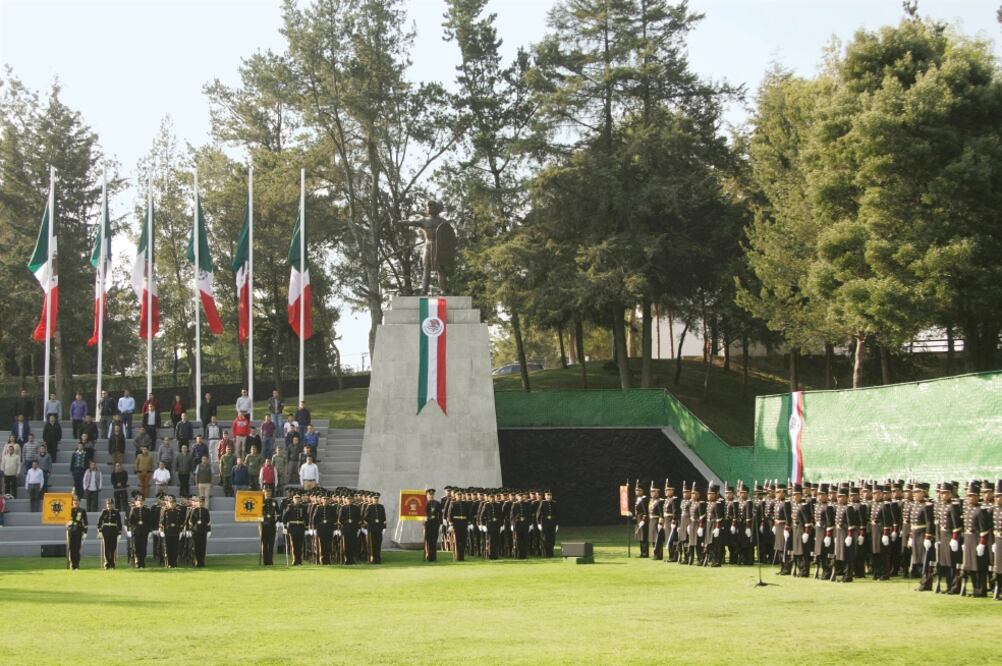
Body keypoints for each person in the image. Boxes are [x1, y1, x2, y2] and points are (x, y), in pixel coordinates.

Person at [282, 492, 308, 565]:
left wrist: (306, 527)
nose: (297, 500)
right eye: (295, 498)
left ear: (300, 499)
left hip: (300, 527)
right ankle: (295, 560)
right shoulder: (290, 506)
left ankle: (300, 560)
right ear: (293, 499)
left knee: (300, 545)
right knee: (293, 544)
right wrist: (285, 526)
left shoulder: (303, 507)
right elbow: (285, 517)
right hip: (292, 527)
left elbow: (306, 517)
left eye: (298, 498)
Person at [158, 495, 184, 568]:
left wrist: (181, 532)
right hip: (168, 532)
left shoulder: (178, 511)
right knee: (168, 549)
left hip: (176, 532)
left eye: (173, 502)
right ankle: (168, 563)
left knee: (175, 549)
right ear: (168, 503)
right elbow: (161, 522)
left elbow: (181, 522)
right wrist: (161, 531)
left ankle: (174, 563)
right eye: (170, 502)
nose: (172, 504)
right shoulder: (165, 511)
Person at [186, 494, 212, 567]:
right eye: (199, 502)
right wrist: (191, 530)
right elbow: (191, 521)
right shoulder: (194, 510)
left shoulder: (206, 511)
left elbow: (208, 521)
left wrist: (209, 530)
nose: (200, 503)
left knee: (202, 547)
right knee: (196, 547)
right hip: (196, 531)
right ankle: (196, 562)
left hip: (203, 531)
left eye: (202, 502)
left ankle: (202, 562)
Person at [97, 498, 122, 569]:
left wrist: (119, 532)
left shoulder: (116, 512)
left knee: (113, 548)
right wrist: (100, 531)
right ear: (106, 504)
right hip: (106, 530)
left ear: (113, 505)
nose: (109, 505)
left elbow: (119, 522)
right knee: (106, 547)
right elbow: (99, 522)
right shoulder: (104, 512)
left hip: (113, 530)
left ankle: (112, 563)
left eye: (110, 504)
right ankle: (107, 563)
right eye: (108, 504)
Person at [127, 495, 151, 568]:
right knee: (136, 547)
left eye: (142, 500)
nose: (140, 502)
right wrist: (129, 530)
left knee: (143, 547)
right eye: (139, 501)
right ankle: (137, 561)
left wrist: (150, 531)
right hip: (136, 531)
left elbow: (150, 521)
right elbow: (130, 521)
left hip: (144, 531)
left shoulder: (147, 510)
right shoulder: (133, 510)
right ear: (136, 502)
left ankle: (142, 562)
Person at [66, 496, 88, 569]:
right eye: (74, 501)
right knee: (71, 548)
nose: (75, 502)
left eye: (77, 501)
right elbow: (65, 519)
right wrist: (67, 523)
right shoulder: (69, 510)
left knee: (77, 548)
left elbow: (85, 522)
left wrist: (85, 532)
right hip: (71, 530)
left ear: (79, 502)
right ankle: (72, 564)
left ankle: (77, 564)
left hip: (79, 530)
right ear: (72, 502)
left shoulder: (82, 510)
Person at [260, 487, 279, 565]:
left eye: (269, 494)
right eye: (266, 494)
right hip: (264, 525)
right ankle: (265, 561)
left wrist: (277, 522)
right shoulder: (261, 501)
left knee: (271, 544)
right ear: (264, 494)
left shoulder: (274, 501)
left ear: (271, 494)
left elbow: (278, 513)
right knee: (264, 544)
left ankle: (270, 561)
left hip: (272, 524)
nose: (268, 495)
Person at [537, 490, 558, 558]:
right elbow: (538, 514)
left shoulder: (554, 503)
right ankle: (545, 553)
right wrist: (539, 523)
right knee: (545, 538)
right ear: (545, 496)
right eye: (547, 495)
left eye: (550, 495)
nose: (549, 496)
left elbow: (557, 514)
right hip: (544, 523)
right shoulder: (542, 503)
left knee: (552, 539)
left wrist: (557, 524)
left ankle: (551, 553)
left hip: (552, 524)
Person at [424, 488, 441, 562]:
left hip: (435, 523)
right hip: (427, 523)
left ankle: (434, 557)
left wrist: (440, 523)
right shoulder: (424, 503)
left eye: (432, 495)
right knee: (428, 540)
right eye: (429, 495)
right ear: (427, 495)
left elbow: (440, 514)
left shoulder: (437, 503)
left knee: (434, 540)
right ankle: (428, 556)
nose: (431, 496)